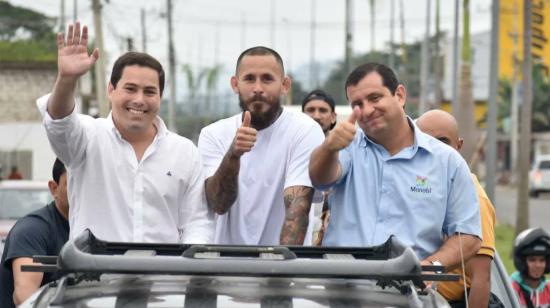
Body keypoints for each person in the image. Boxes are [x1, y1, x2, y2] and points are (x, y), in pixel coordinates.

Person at [36, 22, 213, 243]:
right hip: (94, 275)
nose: (139, 100)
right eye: (130, 89)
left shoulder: (184, 151)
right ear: (111, 90)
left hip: (163, 276)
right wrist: (67, 79)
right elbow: (59, 123)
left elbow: (196, 222)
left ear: (160, 97)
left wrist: (189, 271)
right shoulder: (87, 137)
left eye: (149, 92)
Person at [309, 62, 481, 269]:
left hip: (408, 293)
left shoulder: (447, 162)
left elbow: (468, 236)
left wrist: (429, 267)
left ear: (399, 95)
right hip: (343, 288)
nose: (367, 110)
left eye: (375, 98)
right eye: (358, 104)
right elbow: (319, 178)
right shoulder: (346, 147)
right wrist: (329, 147)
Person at [198, 46, 325, 245]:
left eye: (267, 78)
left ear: (284, 85)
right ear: (235, 84)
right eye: (249, 79)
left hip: (282, 266)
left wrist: (281, 271)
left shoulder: (305, 130)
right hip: (224, 267)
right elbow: (218, 205)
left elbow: (297, 211)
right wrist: (233, 155)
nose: (258, 88)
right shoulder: (213, 134)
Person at [416, 109, 499, 307]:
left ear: (459, 145)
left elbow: (481, 279)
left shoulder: (473, 196)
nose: (435, 150)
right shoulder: (419, 185)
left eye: (442, 142)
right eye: (427, 141)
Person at [0, 158, 69, 308]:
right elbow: (25, 297)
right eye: (73, 184)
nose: (82, 191)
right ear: (54, 188)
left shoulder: (97, 229)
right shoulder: (31, 230)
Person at [301, 89, 337, 245]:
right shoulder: (290, 149)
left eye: (322, 110)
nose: (316, 116)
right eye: (310, 110)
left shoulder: (345, 152)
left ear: (333, 117)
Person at [511, 227, 550, 308]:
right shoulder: (511, 289)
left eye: (542, 260)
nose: (538, 265)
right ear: (522, 262)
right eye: (532, 260)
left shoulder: (548, 289)